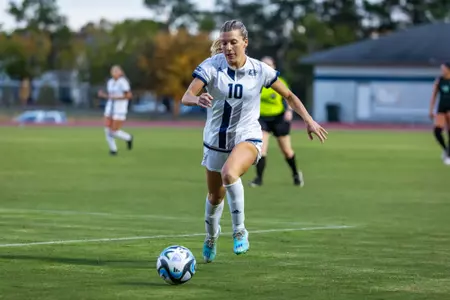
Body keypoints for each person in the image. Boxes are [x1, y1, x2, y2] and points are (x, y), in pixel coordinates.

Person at [181, 20, 328, 263]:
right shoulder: (211, 66)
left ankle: (239, 230)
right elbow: (187, 95)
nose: (228, 47)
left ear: (245, 43)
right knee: (214, 197)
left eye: (233, 42)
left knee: (230, 173)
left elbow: (289, 95)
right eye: (225, 42)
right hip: (215, 140)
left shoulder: (260, 70)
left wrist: (309, 120)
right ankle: (211, 236)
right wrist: (197, 100)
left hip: (247, 136)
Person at [250, 56, 303, 187]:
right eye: (263, 64)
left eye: (268, 64)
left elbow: (288, 97)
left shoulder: (279, 81)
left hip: (279, 118)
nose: (265, 67)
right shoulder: (254, 82)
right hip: (262, 119)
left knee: (286, 150)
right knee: (261, 149)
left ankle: (296, 173)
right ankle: (259, 178)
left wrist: (289, 111)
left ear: (273, 67)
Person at [98, 65, 134, 155]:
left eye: (116, 71)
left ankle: (128, 138)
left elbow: (129, 96)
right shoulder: (110, 82)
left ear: (120, 72)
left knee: (114, 131)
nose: (114, 72)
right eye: (113, 71)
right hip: (109, 108)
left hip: (120, 109)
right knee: (107, 129)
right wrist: (104, 95)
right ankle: (113, 150)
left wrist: (116, 97)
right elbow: (110, 96)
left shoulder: (123, 82)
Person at [429, 62, 450, 165]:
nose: (442, 70)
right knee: (437, 131)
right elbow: (434, 96)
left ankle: (448, 155)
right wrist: (431, 109)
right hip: (441, 108)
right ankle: (446, 150)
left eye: (444, 68)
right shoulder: (439, 81)